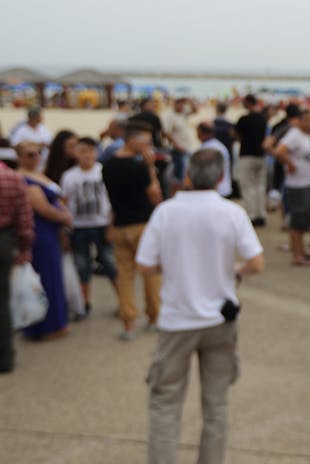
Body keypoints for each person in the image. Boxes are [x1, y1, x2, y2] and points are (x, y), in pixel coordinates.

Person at [137, 149, 264, 464]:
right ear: (221, 177)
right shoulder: (231, 212)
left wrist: (173, 267)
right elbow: (256, 262)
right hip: (219, 320)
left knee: (165, 403)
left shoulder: (166, 212)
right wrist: (235, 270)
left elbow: (144, 265)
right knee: (216, 406)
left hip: (177, 320)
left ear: (188, 176)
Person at [102, 120, 163, 340]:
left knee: (125, 275)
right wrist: (151, 168)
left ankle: (128, 323)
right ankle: (153, 317)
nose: (149, 146)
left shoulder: (108, 166)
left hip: (120, 225)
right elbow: (155, 196)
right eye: (146, 141)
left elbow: (111, 199)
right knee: (151, 273)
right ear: (133, 141)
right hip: (142, 225)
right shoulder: (139, 167)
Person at [15, 142, 70, 341]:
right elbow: (42, 208)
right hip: (41, 233)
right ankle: (44, 326)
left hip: (51, 233)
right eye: (29, 154)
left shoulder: (40, 174)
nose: (35, 157)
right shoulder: (24, 178)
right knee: (46, 278)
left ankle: (56, 322)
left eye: (38, 153)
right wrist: (64, 217)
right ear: (20, 157)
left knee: (54, 276)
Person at [61, 137, 117, 315]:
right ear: (75, 153)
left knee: (111, 264)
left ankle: (123, 301)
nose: (87, 155)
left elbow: (114, 200)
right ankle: (84, 303)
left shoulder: (104, 171)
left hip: (102, 224)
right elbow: (64, 202)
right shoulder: (69, 176)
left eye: (90, 150)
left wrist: (111, 226)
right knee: (82, 265)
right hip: (79, 227)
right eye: (82, 151)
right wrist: (66, 228)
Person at [0, 160, 34, 372]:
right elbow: (24, 217)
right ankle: (4, 359)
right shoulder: (12, 178)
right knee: (2, 301)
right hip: (3, 240)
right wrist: (24, 247)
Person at [274, 107, 310, 266]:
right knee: (297, 221)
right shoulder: (294, 135)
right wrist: (290, 164)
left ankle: (301, 251)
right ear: (299, 121)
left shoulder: (305, 136)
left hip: (307, 182)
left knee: (303, 220)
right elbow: (279, 151)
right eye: (307, 121)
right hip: (298, 185)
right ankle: (297, 255)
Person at [233, 94, 268, 226]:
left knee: (248, 185)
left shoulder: (244, 119)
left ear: (248, 103)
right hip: (260, 155)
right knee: (260, 186)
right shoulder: (262, 119)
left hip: (247, 154)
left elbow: (235, 134)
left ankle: (252, 214)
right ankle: (261, 213)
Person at [164, 98, 193, 193]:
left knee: (186, 173)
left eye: (182, 104)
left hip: (187, 147)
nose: (181, 106)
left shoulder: (183, 113)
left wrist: (190, 101)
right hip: (178, 149)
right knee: (180, 176)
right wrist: (176, 145)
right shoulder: (170, 115)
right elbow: (166, 132)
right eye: (179, 104)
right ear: (174, 104)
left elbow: (196, 110)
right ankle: (179, 194)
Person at [197, 122, 232, 198]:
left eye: (198, 132)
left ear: (202, 133)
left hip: (217, 191)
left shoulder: (211, 148)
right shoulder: (214, 145)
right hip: (219, 190)